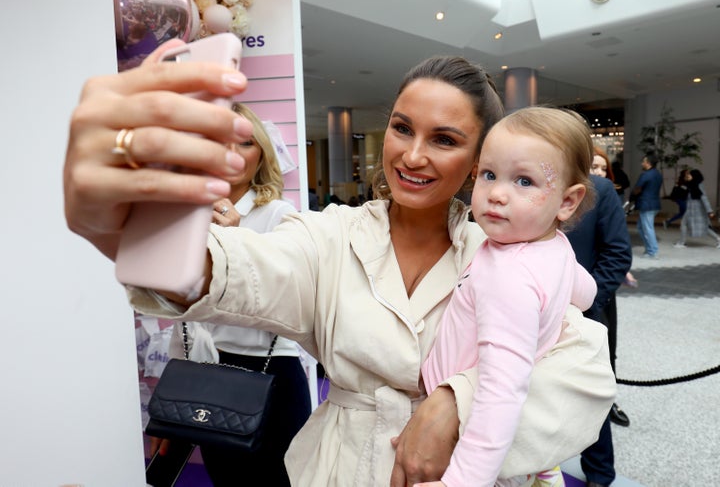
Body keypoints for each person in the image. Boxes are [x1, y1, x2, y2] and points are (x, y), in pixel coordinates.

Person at [63, 43, 616, 486]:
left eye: (444, 140)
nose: (413, 154)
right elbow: (239, 269)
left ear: (477, 163)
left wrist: (455, 402)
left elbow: (584, 372)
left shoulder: (507, 258)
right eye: (402, 128)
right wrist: (133, 226)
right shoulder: (330, 236)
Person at [416, 107, 598, 487]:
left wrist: (463, 481)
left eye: (525, 181)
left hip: (468, 444)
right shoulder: (556, 248)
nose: (497, 193)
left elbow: (501, 389)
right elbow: (585, 292)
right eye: (488, 174)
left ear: (567, 202)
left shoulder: (509, 276)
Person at [164, 103, 311, 486]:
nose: (232, 154)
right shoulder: (188, 215)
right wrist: (175, 383)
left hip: (269, 372)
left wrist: (235, 238)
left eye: (245, 143)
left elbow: (288, 299)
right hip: (209, 373)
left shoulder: (279, 215)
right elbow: (184, 312)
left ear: (261, 152)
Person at [567, 168, 633, 487]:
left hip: (581, 313)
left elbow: (617, 253)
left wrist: (587, 303)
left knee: (591, 397)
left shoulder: (601, 190)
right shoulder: (515, 183)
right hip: (521, 315)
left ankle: (599, 473)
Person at [591, 148, 637, 289]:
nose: (600, 172)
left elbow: (615, 245)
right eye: (594, 167)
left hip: (596, 281)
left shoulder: (607, 197)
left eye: (604, 169)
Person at [673, 169, 720, 248]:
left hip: (698, 211)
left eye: (690, 175)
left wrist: (710, 211)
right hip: (690, 210)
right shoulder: (691, 185)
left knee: (704, 227)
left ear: (694, 176)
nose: (688, 176)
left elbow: (704, 198)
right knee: (684, 224)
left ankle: (718, 239)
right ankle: (681, 242)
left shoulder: (698, 185)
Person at [630, 154, 662, 259]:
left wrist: (632, 195)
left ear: (648, 163)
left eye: (643, 161)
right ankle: (649, 249)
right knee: (641, 227)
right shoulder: (658, 174)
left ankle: (653, 251)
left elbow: (637, 188)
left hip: (646, 204)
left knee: (647, 228)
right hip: (654, 204)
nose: (642, 163)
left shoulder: (646, 175)